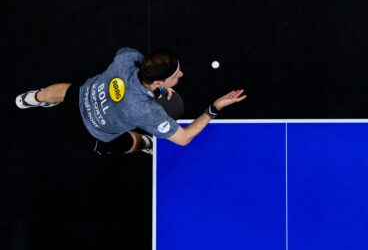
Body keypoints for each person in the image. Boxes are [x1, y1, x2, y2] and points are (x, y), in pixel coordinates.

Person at [15, 47, 247, 156]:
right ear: (158, 82)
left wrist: (157, 89)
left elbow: (136, 67)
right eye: (176, 75)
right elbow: (184, 139)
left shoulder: (127, 58)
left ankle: (35, 97)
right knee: (130, 141)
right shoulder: (146, 112)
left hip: (80, 97)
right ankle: (145, 144)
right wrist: (214, 108)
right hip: (88, 133)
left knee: (70, 91)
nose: (181, 75)